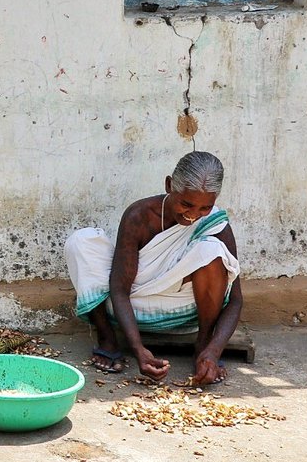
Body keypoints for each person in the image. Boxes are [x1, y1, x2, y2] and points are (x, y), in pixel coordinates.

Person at [64, 151, 243, 386]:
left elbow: (236, 300)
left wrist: (214, 350)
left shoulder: (215, 223)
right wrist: (138, 349)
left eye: (204, 208)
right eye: (186, 204)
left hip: (183, 310)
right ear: (169, 185)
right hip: (127, 307)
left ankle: (203, 344)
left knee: (212, 251)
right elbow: (118, 290)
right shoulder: (139, 215)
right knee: (82, 241)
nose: (192, 215)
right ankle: (108, 339)